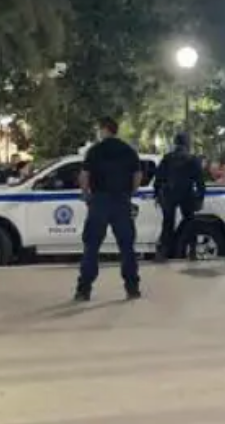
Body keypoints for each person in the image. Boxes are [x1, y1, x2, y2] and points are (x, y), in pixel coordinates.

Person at [75, 117, 142, 301]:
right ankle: (132, 288)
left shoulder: (95, 150)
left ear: (104, 130)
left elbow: (84, 175)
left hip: (100, 201)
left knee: (91, 246)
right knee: (127, 247)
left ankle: (84, 289)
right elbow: (137, 175)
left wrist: (86, 195)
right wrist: (130, 193)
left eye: (99, 129)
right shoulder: (128, 150)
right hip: (121, 201)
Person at [154, 133, 204, 261]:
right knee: (190, 222)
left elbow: (158, 178)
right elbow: (200, 182)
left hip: (170, 194)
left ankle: (163, 253)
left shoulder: (167, 158)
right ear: (187, 143)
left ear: (175, 143)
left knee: (168, 223)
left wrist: (157, 194)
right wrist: (200, 197)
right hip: (187, 193)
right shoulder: (193, 159)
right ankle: (192, 251)